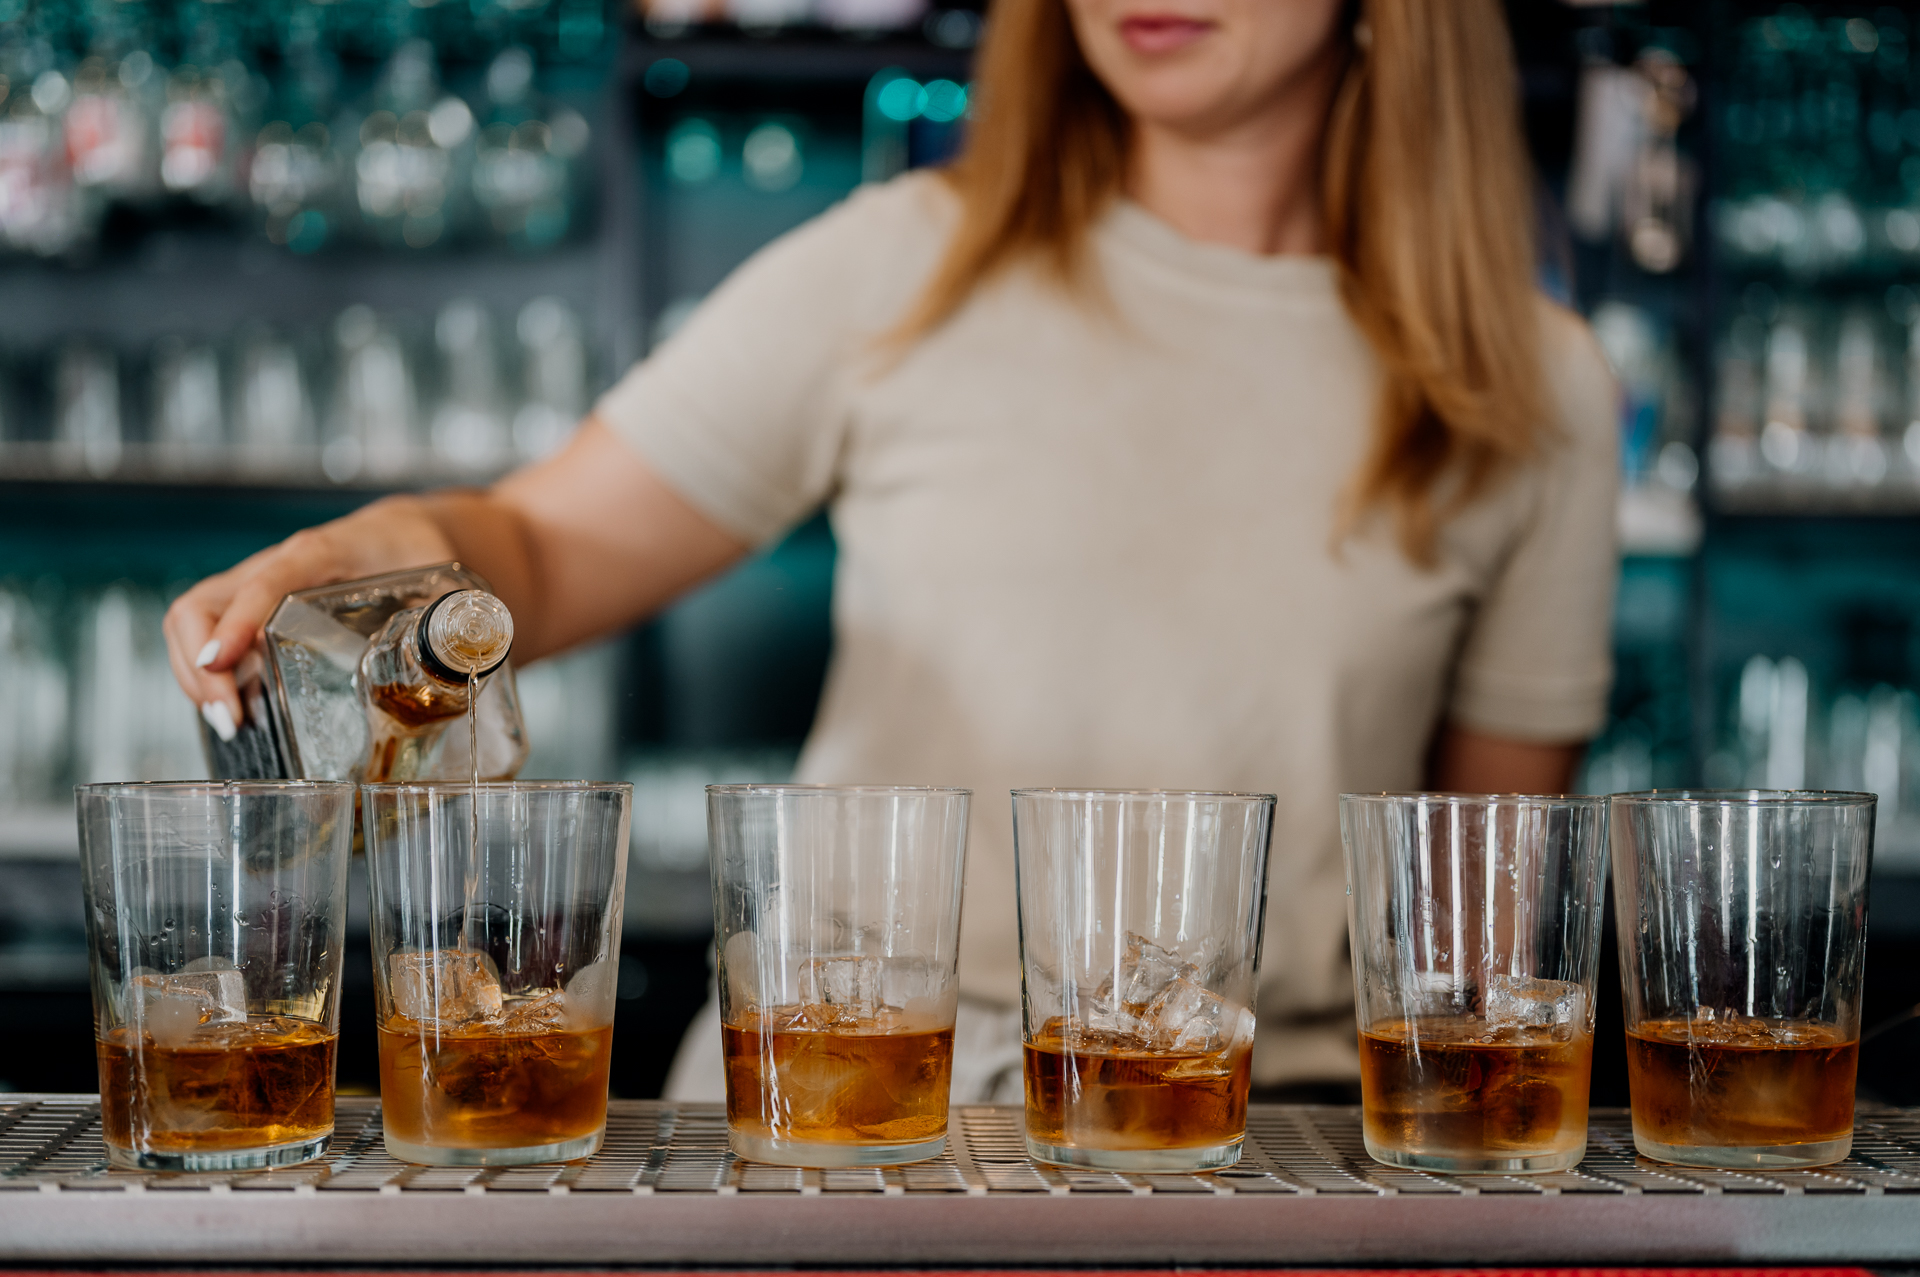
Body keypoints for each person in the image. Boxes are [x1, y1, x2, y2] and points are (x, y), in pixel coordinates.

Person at [166, 0, 1616, 1103]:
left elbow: (1481, 923)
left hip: (1246, 1126)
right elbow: (539, 546)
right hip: (840, 1092)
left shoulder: (1532, 385)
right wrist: (364, 555)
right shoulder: (906, 264)